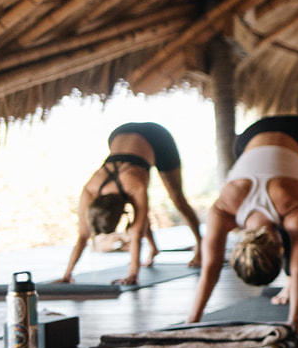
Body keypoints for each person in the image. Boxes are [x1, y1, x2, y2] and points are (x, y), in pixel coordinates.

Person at [187, 116, 298, 334]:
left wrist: (296, 321)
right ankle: (288, 284)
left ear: (280, 248)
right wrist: (192, 321)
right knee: (297, 226)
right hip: (250, 134)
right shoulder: (222, 210)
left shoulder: (293, 208)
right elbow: (210, 267)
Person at [59, 122, 202, 286]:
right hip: (119, 133)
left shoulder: (135, 186)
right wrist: (67, 274)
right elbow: (83, 235)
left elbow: (136, 233)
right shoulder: (90, 188)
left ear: (122, 213)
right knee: (141, 210)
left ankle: (200, 245)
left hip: (158, 138)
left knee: (177, 198)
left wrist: (133, 274)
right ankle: (154, 249)